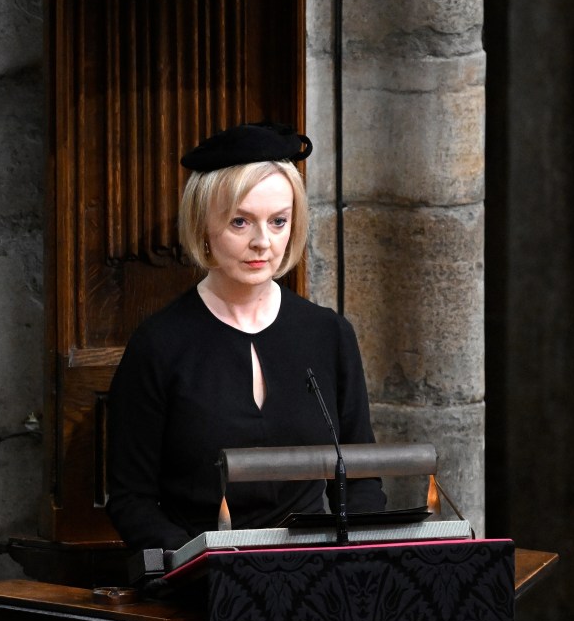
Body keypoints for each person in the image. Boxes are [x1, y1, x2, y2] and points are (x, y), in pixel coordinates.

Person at [106, 122, 386, 551]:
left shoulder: (329, 334)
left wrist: (360, 564)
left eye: (278, 222)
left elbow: (362, 482)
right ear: (203, 225)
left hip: (316, 572)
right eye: (240, 222)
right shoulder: (159, 344)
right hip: (202, 579)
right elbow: (131, 499)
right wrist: (194, 565)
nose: (263, 242)